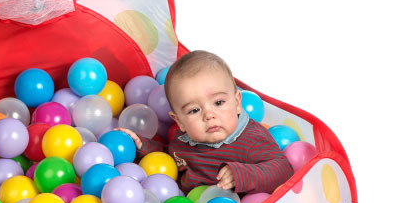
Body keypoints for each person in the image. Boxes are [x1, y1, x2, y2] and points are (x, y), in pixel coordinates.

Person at [121, 50, 293, 195]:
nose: (209, 115)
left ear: (237, 103)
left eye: (218, 103)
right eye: (194, 110)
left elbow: (283, 170)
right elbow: (169, 158)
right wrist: (142, 146)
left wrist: (242, 175)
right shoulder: (183, 140)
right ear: (179, 121)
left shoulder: (252, 139)